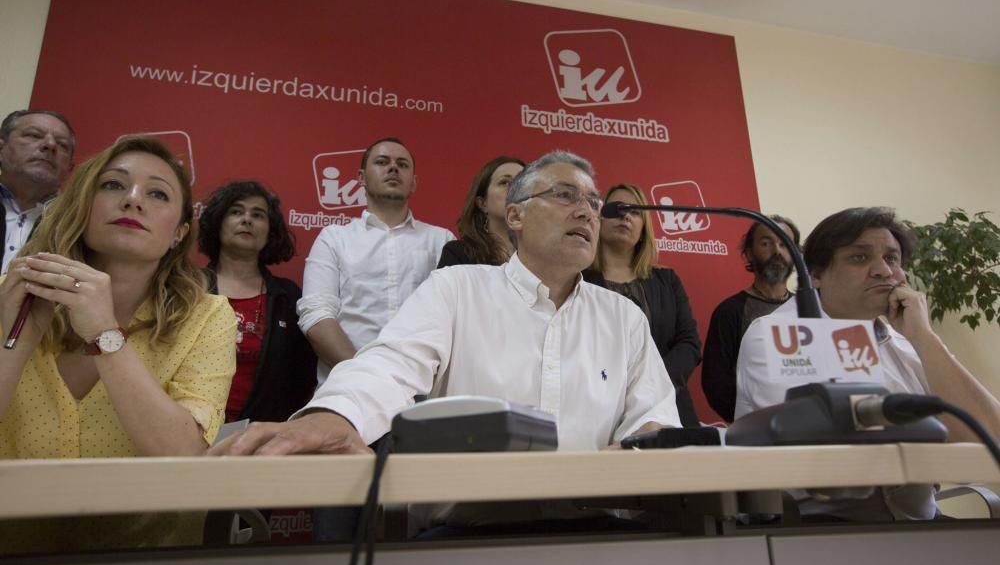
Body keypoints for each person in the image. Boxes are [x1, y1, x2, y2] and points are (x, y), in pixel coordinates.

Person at [213, 150, 681, 530]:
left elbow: (654, 417)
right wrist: (336, 415)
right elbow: (389, 366)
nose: (586, 211)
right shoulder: (456, 288)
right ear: (514, 215)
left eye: (595, 203)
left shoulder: (624, 317)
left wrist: (640, 445)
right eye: (565, 195)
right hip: (468, 534)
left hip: (597, 531)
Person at [0, 136, 236, 551]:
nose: (132, 201)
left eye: (157, 193)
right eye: (113, 185)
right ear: (82, 206)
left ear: (179, 232)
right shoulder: (11, 291)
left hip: (141, 563)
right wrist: (16, 335)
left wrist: (104, 333)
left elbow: (182, 458)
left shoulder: (208, 315)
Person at [735, 207, 1000, 520]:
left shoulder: (906, 338)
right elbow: (820, 450)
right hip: (816, 525)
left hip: (918, 520)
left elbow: (989, 437)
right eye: (860, 258)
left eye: (892, 258)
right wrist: (930, 442)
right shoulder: (777, 334)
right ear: (815, 275)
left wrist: (926, 339)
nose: (883, 271)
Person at [297, 137, 454, 384]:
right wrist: (364, 378)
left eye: (402, 164)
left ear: (413, 182)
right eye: (382, 162)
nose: (393, 168)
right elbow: (316, 316)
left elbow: (453, 321)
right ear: (361, 178)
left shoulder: (441, 240)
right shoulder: (334, 238)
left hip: (422, 389)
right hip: (348, 389)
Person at [584, 183, 701, 427]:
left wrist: (650, 384)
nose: (625, 215)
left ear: (644, 227)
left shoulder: (667, 281)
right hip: (597, 411)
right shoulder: (578, 279)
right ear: (598, 219)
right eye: (616, 208)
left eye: (635, 211)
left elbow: (689, 344)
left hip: (668, 408)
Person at [198, 180, 316, 423]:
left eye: (258, 215)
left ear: (270, 231)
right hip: (189, 431)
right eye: (236, 212)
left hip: (262, 440)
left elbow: (302, 377)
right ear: (219, 223)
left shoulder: (288, 296)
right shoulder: (186, 287)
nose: (247, 220)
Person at [701, 215, 800, 422]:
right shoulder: (730, 311)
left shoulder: (809, 310)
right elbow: (716, 384)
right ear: (749, 253)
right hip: (755, 430)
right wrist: (750, 421)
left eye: (785, 244)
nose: (777, 251)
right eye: (766, 243)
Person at [0, 109, 76, 273]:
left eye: (62, 144)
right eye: (34, 135)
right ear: (1, 148)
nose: (50, 145)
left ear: (70, 168)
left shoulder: (76, 227)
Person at [437, 156, 525, 267]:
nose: (516, 188)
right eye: (505, 182)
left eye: (523, 183)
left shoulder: (544, 254)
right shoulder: (458, 253)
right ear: (483, 203)